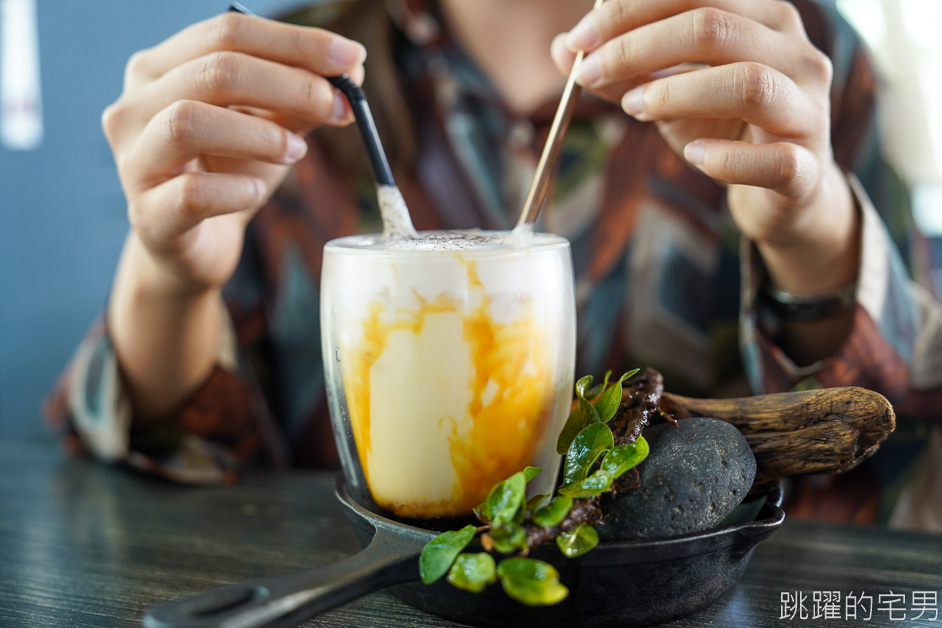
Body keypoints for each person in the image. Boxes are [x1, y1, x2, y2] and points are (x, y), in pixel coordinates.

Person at [46, 0, 942, 530]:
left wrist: (811, 222)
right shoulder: (288, 90)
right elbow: (152, 473)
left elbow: (894, 439)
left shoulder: (782, 55)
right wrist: (170, 272)